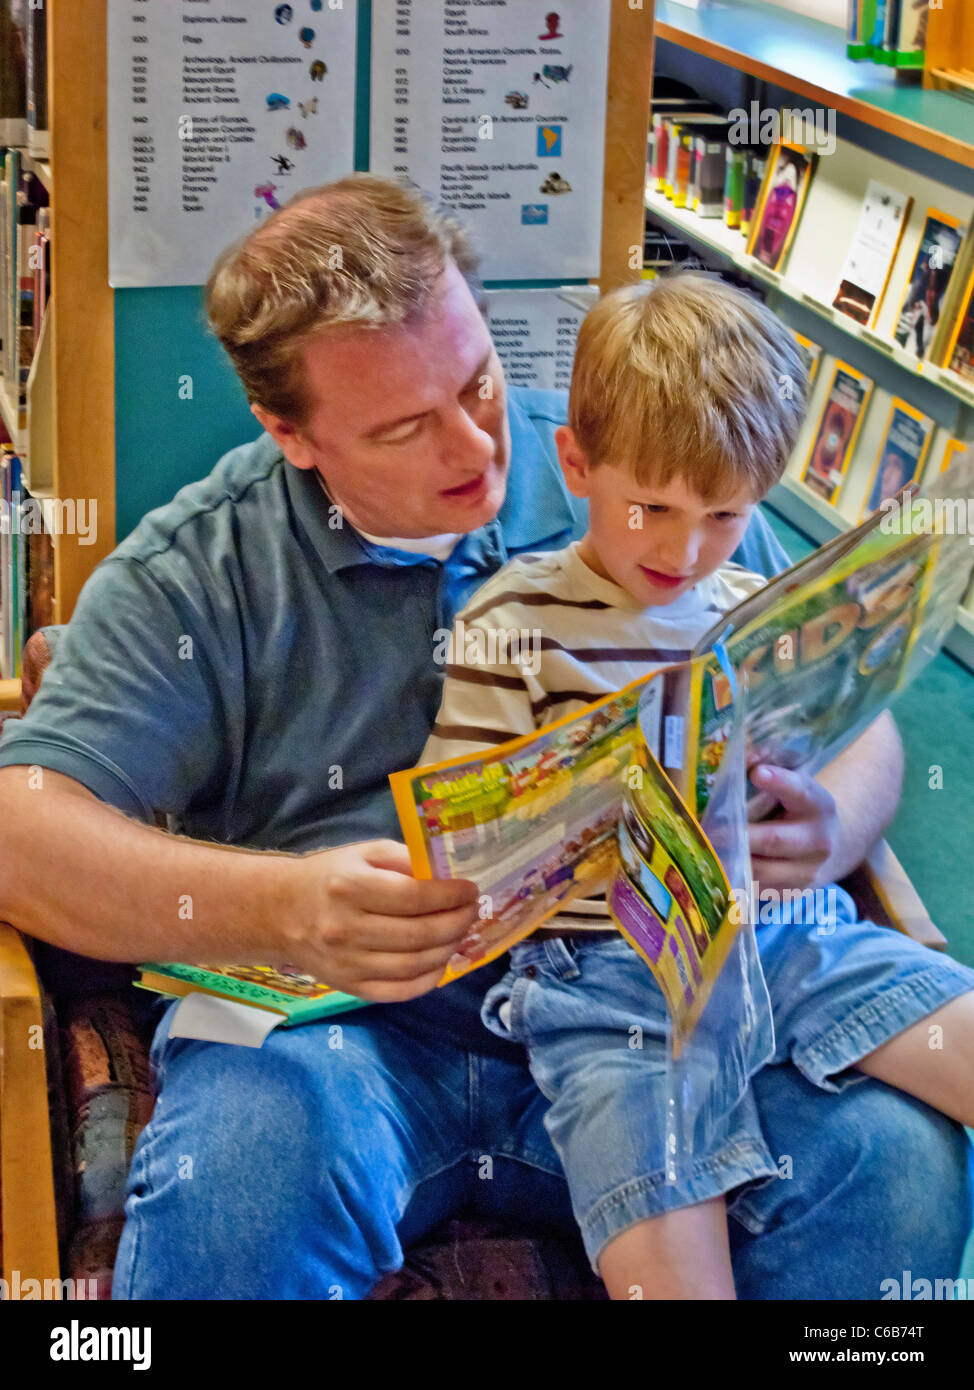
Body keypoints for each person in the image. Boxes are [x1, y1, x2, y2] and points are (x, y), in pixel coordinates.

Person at [0, 176, 969, 1300]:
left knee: (893, 1162)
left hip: (648, 986)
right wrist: (290, 908)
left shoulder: (616, 464)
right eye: (406, 425)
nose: (475, 448)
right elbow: (22, 832)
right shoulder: (198, 575)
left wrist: (827, 815)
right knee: (243, 1179)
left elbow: (843, 698)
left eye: (479, 383)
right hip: (352, 1033)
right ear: (289, 432)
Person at [420, 274, 974, 1299]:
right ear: (575, 463)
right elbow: (465, 826)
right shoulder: (513, 621)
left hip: (777, 930)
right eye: (652, 508)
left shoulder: (755, 603)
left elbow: (819, 754)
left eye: (723, 513)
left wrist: (805, 804)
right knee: (674, 1271)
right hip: (602, 981)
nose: (683, 549)